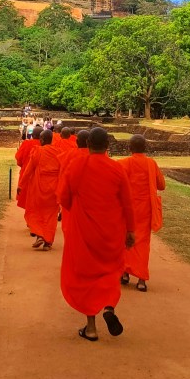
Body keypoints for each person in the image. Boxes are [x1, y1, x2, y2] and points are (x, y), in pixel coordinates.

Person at [58, 126, 135, 342]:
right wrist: (130, 230)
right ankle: (109, 307)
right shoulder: (116, 169)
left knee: (86, 275)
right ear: (107, 146)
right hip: (111, 231)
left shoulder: (77, 165)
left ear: (88, 145)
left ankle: (91, 328)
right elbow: (128, 204)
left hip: (84, 231)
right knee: (111, 270)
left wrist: (79, 208)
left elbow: (64, 198)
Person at [119, 134, 165, 292]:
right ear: (145, 148)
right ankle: (141, 280)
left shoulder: (124, 163)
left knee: (125, 239)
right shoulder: (151, 164)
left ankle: (124, 273)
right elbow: (162, 185)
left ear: (129, 148)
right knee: (143, 243)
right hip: (145, 209)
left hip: (127, 209)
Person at [22, 129, 61, 249]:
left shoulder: (38, 151)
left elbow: (29, 170)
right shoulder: (59, 152)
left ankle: (40, 235)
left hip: (39, 188)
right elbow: (64, 170)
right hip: (54, 189)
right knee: (51, 215)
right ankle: (48, 242)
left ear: (42, 140)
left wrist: (21, 185)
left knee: (37, 212)